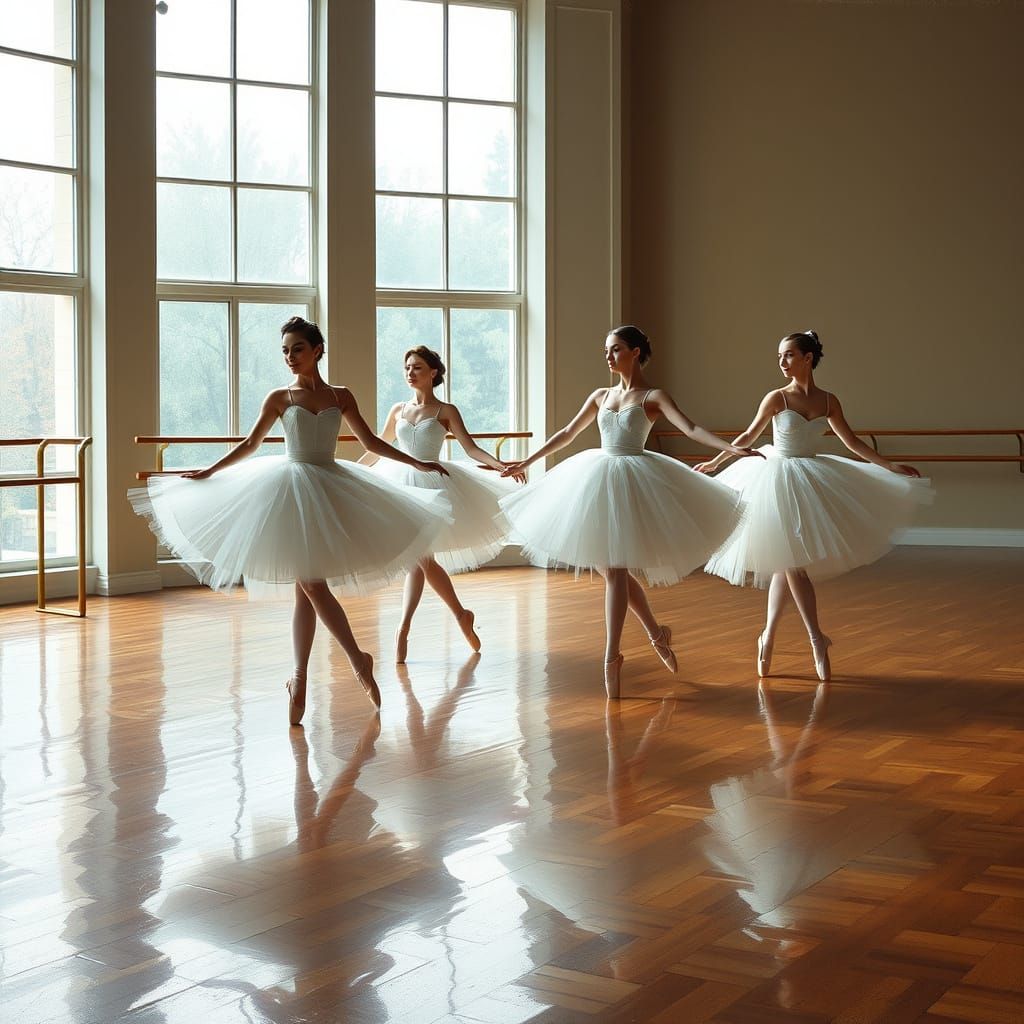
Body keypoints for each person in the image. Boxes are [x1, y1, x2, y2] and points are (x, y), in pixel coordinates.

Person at [129, 316, 452, 723]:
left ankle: (314, 673)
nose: (289, 357)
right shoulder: (280, 398)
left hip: (330, 487)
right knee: (311, 584)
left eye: (297, 348)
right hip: (290, 488)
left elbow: (371, 442)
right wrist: (210, 471)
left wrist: (417, 462)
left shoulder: (341, 395)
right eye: (284, 350)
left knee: (308, 587)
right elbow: (251, 443)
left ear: (317, 350)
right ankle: (340, 664)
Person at [499, 325, 762, 698]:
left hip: (636, 477)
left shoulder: (653, 396)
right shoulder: (600, 395)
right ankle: (656, 632)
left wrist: (729, 450)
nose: (608, 356)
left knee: (616, 570)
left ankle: (611, 655)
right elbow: (568, 433)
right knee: (612, 570)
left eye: (616, 349)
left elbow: (689, 427)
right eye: (606, 349)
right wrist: (527, 459)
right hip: (598, 476)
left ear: (636, 352)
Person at [697, 330, 932, 681]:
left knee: (786, 562)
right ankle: (816, 639)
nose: (781, 362)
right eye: (780, 356)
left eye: (789, 355)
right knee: (792, 564)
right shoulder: (776, 398)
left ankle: (767, 637)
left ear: (808, 358)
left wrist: (889, 465)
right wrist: (716, 463)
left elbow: (852, 443)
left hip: (810, 479)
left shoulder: (828, 400)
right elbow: (747, 436)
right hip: (775, 479)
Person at [359, 347, 522, 662]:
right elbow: (378, 448)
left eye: (417, 367)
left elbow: (471, 448)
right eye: (407, 367)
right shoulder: (397, 410)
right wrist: (350, 472)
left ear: (433, 372)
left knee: (420, 558)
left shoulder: (446, 410)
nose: (410, 373)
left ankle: (405, 628)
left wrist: (499, 465)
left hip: (433, 482)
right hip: (401, 484)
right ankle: (458, 616)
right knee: (420, 558)